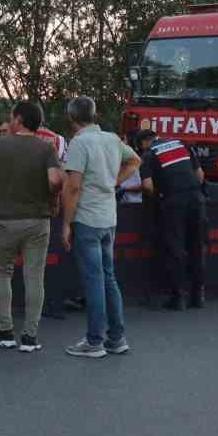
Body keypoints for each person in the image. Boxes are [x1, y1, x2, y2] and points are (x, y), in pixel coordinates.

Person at [60, 96, 140, 358]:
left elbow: (72, 187)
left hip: (87, 218)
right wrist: (114, 182)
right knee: (108, 277)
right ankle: (116, 338)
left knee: (94, 280)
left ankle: (94, 340)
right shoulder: (112, 139)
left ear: (71, 118)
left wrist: (66, 224)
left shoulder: (79, 143)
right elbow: (135, 161)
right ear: (94, 115)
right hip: (109, 218)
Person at [0, 100, 62, 352]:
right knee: (34, 277)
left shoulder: (0, 145)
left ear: (18, 119)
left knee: (2, 273)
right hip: (38, 220)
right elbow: (54, 181)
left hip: (6, 219)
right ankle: (30, 336)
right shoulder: (46, 148)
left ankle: (5, 332)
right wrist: (53, 197)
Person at [135, 127, 206, 309]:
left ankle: (178, 297)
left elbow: (147, 185)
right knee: (196, 246)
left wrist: (160, 196)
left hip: (174, 202)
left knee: (175, 248)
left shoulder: (149, 154)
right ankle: (198, 296)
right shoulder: (181, 143)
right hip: (197, 200)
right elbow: (200, 175)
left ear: (144, 143)